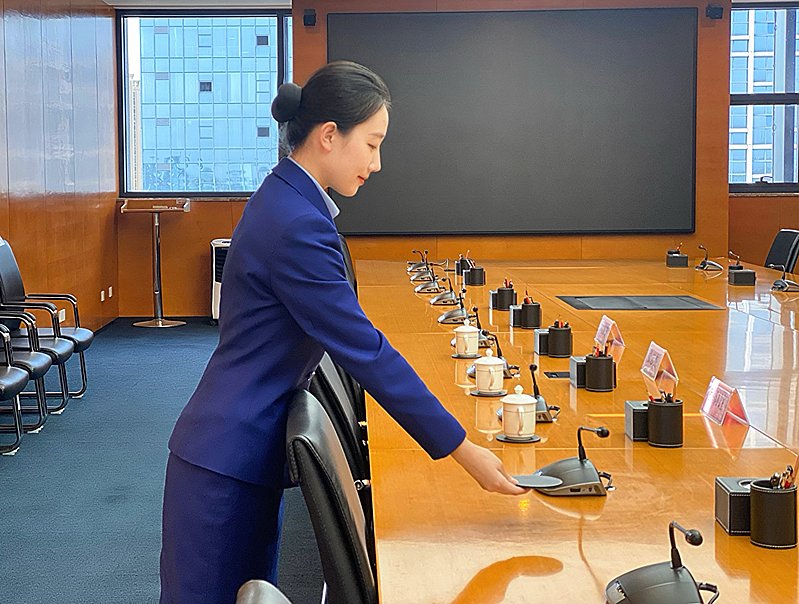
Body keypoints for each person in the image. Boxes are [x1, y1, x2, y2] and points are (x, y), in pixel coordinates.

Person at [159, 60, 526, 604]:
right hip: (224, 463)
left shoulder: (291, 200)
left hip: (238, 452)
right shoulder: (297, 224)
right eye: (372, 144)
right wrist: (462, 449)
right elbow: (366, 351)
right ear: (329, 135)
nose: (377, 163)